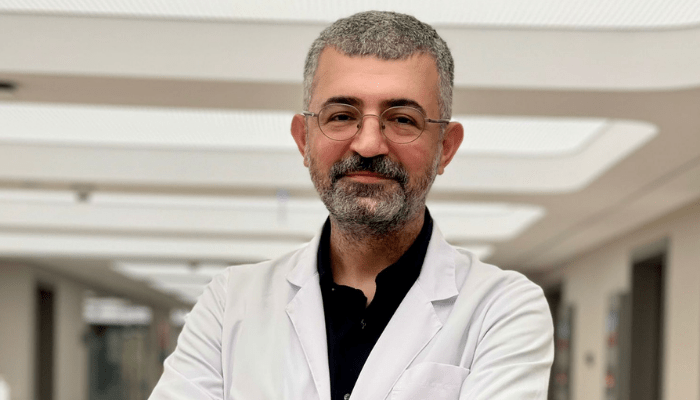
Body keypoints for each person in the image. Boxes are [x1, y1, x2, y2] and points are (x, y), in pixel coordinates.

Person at [149, 10, 553, 400]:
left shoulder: (503, 307)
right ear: (304, 140)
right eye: (341, 116)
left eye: (403, 119)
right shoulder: (229, 303)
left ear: (445, 148)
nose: (369, 144)